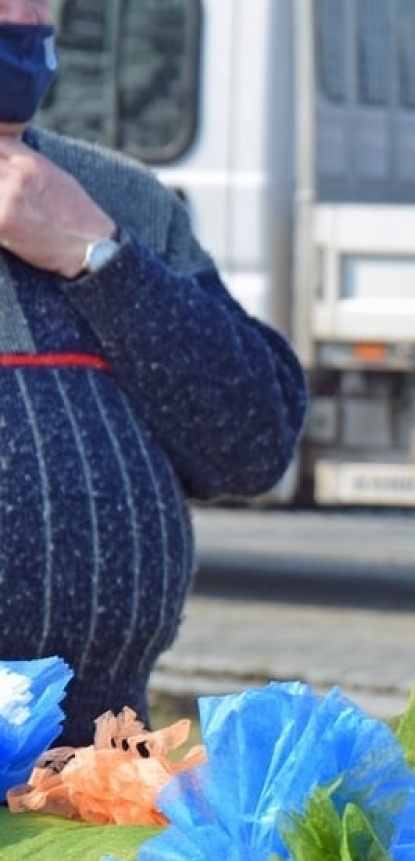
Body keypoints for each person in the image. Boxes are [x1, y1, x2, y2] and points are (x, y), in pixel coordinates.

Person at [0, 1, 307, 745]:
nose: (28, 15)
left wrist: (99, 255)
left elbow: (254, 443)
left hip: (95, 768)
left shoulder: (122, 200)